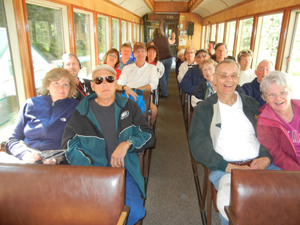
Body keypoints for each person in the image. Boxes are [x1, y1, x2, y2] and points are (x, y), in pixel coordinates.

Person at [189, 59, 279, 225]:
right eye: (223, 75)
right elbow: (198, 146)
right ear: (214, 78)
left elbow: (267, 136)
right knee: (234, 202)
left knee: (289, 194)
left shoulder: (251, 104)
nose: (228, 80)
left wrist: (266, 158)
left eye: (233, 76)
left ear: (238, 78)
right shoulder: (204, 109)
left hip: (261, 164)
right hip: (225, 169)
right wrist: (228, 167)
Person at [62, 65, 155, 225]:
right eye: (98, 80)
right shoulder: (82, 111)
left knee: (134, 212)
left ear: (115, 82)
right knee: (87, 213)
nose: (104, 84)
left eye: (109, 79)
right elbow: (69, 146)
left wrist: (127, 143)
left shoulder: (129, 106)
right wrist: (91, 169)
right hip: (91, 174)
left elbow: (148, 135)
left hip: (124, 173)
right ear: (92, 85)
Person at [7, 68, 78, 163]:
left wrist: (59, 158)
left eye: (65, 85)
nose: (61, 88)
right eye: (56, 83)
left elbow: (80, 142)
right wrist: (24, 154)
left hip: (58, 161)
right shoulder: (30, 104)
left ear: (70, 88)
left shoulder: (75, 108)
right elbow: (13, 139)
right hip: (28, 159)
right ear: (47, 85)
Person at [257, 71, 300, 171]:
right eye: (272, 94)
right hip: (292, 169)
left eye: (282, 92)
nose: (278, 98)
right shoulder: (264, 122)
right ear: (265, 98)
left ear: (290, 92)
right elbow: (278, 156)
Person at [118, 42, 158, 125]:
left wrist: (137, 90)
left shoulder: (152, 68)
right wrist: (128, 89)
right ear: (134, 54)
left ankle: (148, 131)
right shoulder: (127, 68)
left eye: (142, 51)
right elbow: (120, 83)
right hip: (128, 96)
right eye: (137, 52)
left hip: (143, 96)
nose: (140, 54)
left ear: (146, 53)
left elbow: (154, 84)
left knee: (153, 109)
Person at [151, 28, 175, 99]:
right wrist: (173, 36)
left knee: (162, 77)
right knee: (166, 77)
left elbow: (151, 50)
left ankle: (164, 94)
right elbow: (173, 42)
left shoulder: (153, 41)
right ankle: (164, 89)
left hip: (160, 60)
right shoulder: (166, 39)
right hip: (169, 59)